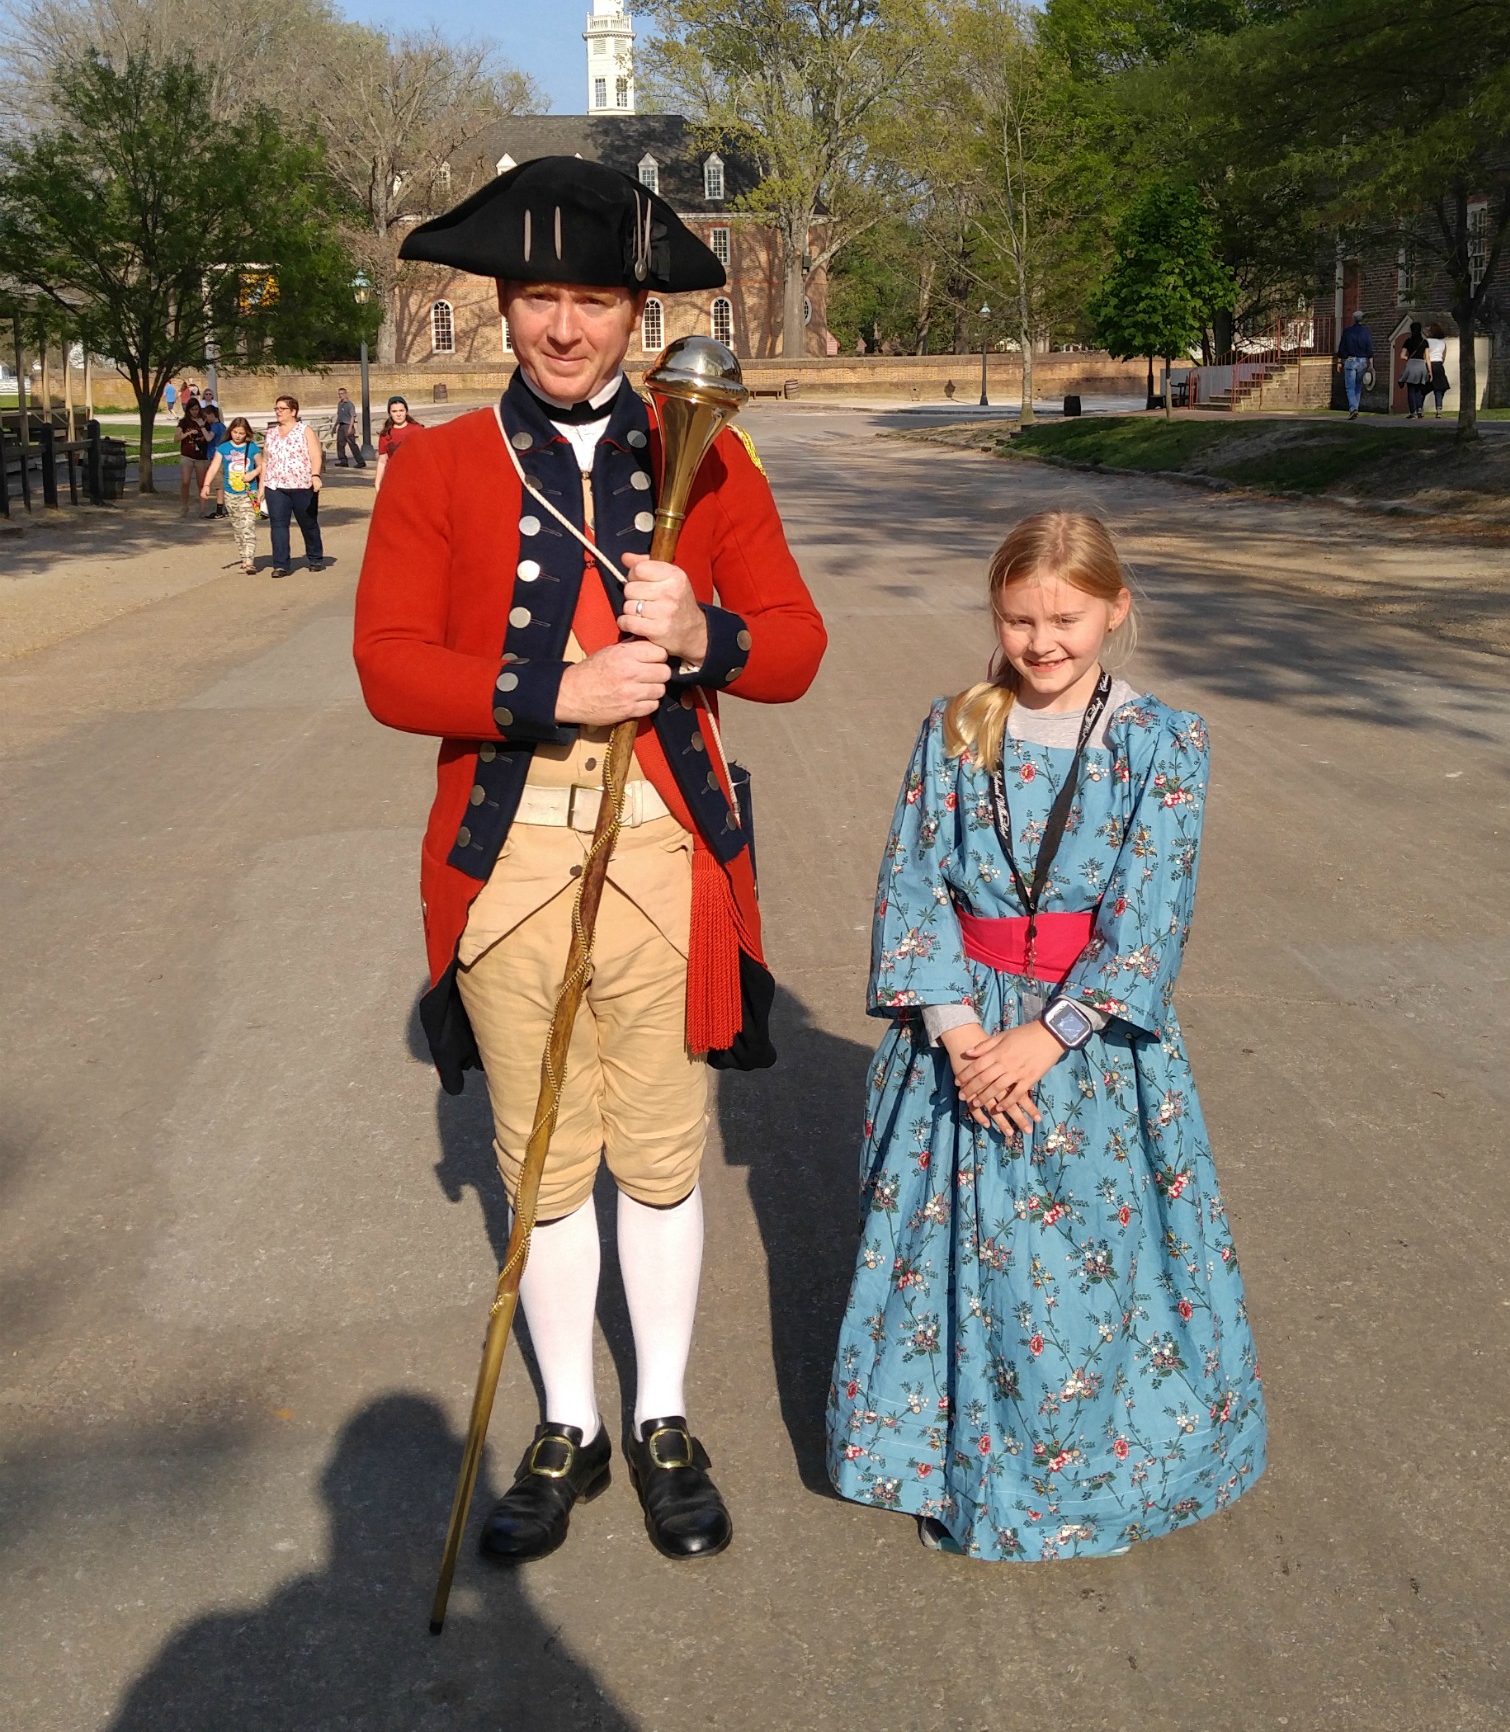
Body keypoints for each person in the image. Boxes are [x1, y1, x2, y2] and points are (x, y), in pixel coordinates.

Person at [354, 155, 827, 1569]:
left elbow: (796, 649)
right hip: (509, 860)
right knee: (545, 1165)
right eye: (539, 297)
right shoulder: (438, 463)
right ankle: (568, 1423)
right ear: (504, 306)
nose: (565, 328)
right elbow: (386, 666)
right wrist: (553, 692)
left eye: (596, 300)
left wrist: (702, 639)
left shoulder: (710, 450)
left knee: (664, 1155)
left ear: (637, 314)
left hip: (665, 853)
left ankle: (665, 1414)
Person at [826, 509, 1265, 1561]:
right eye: (1018, 619)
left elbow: (1148, 916)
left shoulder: (1161, 742)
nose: (1041, 642)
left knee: (1082, 1276)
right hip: (961, 1035)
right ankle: (950, 1465)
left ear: (1115, 609)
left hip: (1085, 1050)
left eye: (1065, 618)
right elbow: (912, 881)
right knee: (949, 1262)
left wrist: (1045, 1037)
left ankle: (1096, 1475)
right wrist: (962, 1029)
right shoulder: (955, 727)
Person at [261, 393, 325, 577]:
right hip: (275, 486)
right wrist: (262, 487)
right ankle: (281, 564)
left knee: (308, 523)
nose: (278, 412)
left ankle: (315, 558)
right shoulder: (271, 433)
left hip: (302, 485)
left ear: (293, 411)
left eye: (282, 409)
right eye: (276, 409)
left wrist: (315, 475)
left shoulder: (305, 431)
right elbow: (266, 461)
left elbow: (315, 455)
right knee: (278, 525)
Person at [202, 416, 262, 573]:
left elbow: (263, 466)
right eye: (235, 432)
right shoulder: (223, 448)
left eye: (241, 433)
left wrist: (253, 473)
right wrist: (206, 485)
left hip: (249, 492)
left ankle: (250, 561)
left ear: (246, 433)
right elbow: (214, 467)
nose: (237, 436)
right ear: (230, 431)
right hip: (230, 493)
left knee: (248, 525)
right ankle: (243, 558)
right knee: (238, 527)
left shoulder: (252, 447)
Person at [176, 401, 210, 519]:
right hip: (187, 455)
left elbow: (209, 436)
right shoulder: (184, 422)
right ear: (188, 410)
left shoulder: (204, 421)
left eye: (196, 409)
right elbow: (176, 437)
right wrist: (188, 433)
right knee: (185, 482)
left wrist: (201, 429)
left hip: (201, 456)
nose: (195, 412)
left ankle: (202, 509)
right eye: (192, 410)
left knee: (201, 484)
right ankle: (184, 506)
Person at [1337, 309, 1373, 419]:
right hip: (1362, 361)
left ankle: (1353, 408)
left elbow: (1342, 347)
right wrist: (1371, 364)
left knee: (1350, 387)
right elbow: (1369, 349)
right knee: (1358, 386)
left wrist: (1339, 361)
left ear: (1353, 319)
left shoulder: (1347, 332)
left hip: (1350, 361)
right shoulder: (1366, 332)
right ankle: (1355, 408)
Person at [373, 396, 413, 491]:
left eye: (401, 410)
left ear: (406, 411)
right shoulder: (385, 434)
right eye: (394, 411)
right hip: (393, 479)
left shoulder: (417, 430)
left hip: (413, 478)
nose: (398, 414)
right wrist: (377, 483)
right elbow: (382, 461)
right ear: (389, 413)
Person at [1399, 320, 1430, 419]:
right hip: (1421, 365)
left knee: (1411, 390)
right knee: (1418, 390)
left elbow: (1402, 356)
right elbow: (1427, 358)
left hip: (1411, 365)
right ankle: (1419, 409)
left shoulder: (1408, 341)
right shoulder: (1424, 342)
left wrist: (1408, 358)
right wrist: (1430, 371)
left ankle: (1413, 412)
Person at [334, 385, 364, 468]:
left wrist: (350, 427)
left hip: (347, 425)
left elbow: (353, 416)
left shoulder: (349, 404)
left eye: (342, 393)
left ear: (346, 394)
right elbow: (339, 416)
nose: (341, 395)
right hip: (341, 425)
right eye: (339, 394)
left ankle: (360, 462)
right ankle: (343, 460)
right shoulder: (340, 404)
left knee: (352, 444)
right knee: (340, 444)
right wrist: (334, 426)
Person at [1427, 335, 1451, 418]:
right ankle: (1439, 409)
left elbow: (1425, 355)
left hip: (1429, 364)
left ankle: (1418, 408)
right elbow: (1443, 357)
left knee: (1423, 388)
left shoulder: (1427, 341)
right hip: (1439, 364)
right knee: (1439, 389)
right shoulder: (1442, 343)